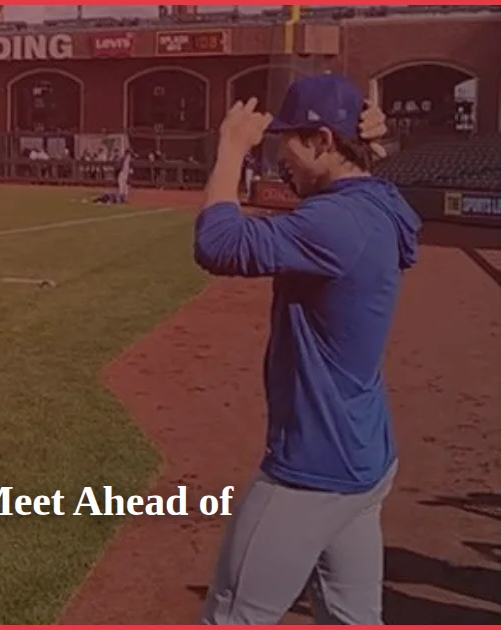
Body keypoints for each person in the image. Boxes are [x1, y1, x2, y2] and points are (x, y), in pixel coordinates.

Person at [193, 75, 416, 624]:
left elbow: (217, 244)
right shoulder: (380, 204)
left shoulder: (336, 221)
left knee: (233, 616)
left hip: (311, 470)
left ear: (320, 140)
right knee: (353, 619)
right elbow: (375, 189)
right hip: (364, 459)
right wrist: (378, 147)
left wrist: (230, 148)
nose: (279, 161)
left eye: (287, 143)